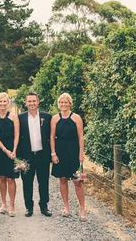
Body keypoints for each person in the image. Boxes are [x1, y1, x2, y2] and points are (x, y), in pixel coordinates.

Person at [51, 93, 86, 221]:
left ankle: (82, 209)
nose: (64, 104)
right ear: (58, 104)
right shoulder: (55, 118)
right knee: (63, 180)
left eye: (66, 102)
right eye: (61, 102)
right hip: (60, 152)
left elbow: (81, 137)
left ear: (70, 103)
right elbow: (51, 137)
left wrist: (81, 154)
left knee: (77, 182)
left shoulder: (76, 118)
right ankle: (66, 207)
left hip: (73, 152)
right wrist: (53, 153)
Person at [18, 92, 52, 217]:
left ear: (38, 102)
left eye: (34, 101)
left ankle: (44, 206)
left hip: (42, 155)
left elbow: (51, 136)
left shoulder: (47, 117)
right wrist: (19, 159)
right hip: (26, 156)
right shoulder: (20, 118)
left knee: (43, 182)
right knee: (27, 182)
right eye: (29, 101)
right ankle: (29, 207)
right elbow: (17, 138)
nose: (32, 103)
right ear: (26, 103)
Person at [0, 92, 20, 217]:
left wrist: (13, 150)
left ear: (8, 103)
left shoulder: (14, 117)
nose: (2, 104)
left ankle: (12, 205)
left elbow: (17, 134)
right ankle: (3, 203)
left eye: (5, 101)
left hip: (12, 150)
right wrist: (5, 150)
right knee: (2, 177)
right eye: (0, 101)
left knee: (11, 178)